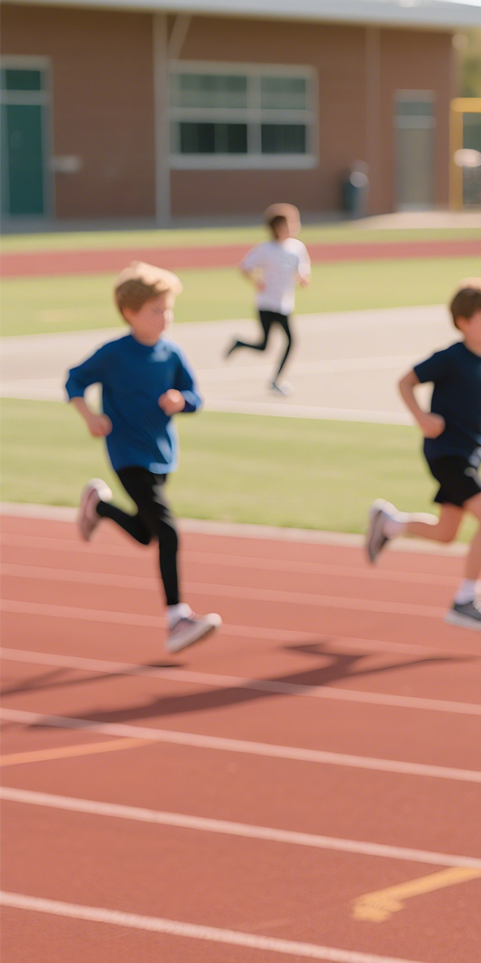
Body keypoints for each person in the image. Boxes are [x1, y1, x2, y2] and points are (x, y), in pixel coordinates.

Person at [70, 263, 221, 655]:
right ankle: (177, 618)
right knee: (168, 532)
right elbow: (74, 379)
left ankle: (98, 506)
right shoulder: (114, 354)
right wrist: (90, 416)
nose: (164, 317)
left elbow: (195, 397)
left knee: (145, 533)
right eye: (155, 310)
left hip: (161, 455)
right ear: (130, 313)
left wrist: (181, 401)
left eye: (167, 309)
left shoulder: (172, 354)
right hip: (126, 454)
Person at [364, 279, 481, 632]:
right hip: (447, 453)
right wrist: (422, 418)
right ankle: (465, 600)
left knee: (445, 533)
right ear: (464, 322)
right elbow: (405, 382)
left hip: (469, 455)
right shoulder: (451, 358)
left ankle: (389, 522)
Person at [226, 203, 310, 396]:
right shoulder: (265, 249)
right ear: (279, 227)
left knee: (290, 341)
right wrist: (256, 281)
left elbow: (302, 271)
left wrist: (303, 279)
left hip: (284, 304)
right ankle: (240, 344)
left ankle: (275, 380)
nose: (296, 226)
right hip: (266, 303)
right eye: (291, 223)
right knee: (264, 346)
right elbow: (245, 267)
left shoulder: (297, 248)